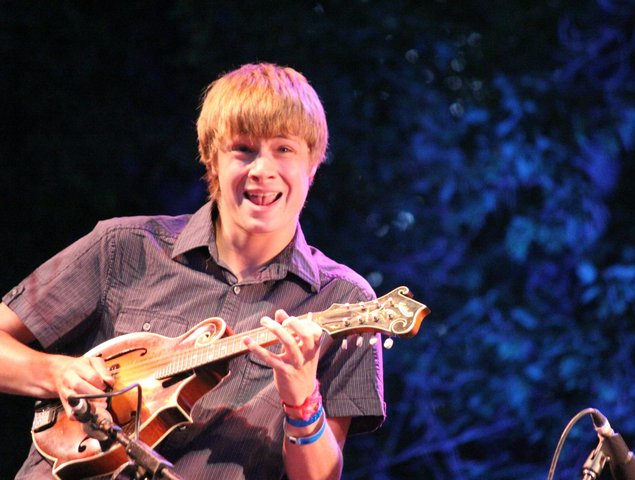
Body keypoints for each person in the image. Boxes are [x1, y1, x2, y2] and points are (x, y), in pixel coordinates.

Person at [0, 63, 385, 479]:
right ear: (211, 159)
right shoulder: (124, 246)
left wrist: (302, 400)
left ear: (312, 163)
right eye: (243, 149)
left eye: (284, 149)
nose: (262, 170)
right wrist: (55, 373)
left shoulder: (345, 300)